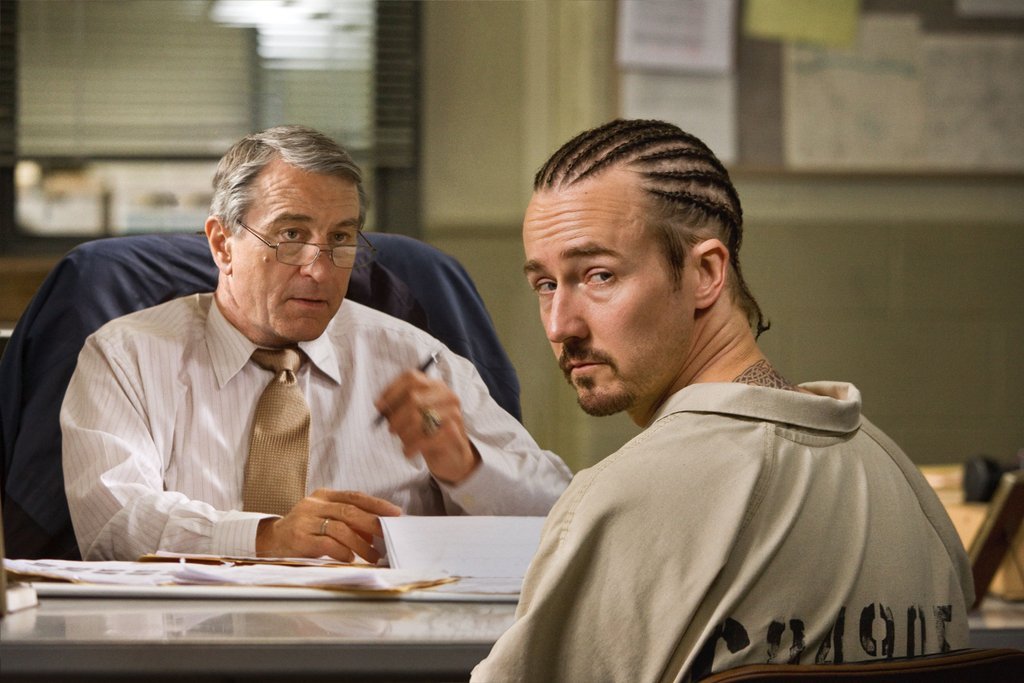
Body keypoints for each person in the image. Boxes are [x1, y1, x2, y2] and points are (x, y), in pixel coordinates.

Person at [471, 119, 973, 682]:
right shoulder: (910, 492)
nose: (560, 325)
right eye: (546, 285)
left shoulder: (619, 500)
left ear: (706, 272)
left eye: (599, 275)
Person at [61, 125, 571, 563]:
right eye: (290, 235)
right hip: (191, 637)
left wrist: (469, 467)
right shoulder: (126, 356)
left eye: (341, 239)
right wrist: (267, 537)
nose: (320, 269)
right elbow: (113, 524)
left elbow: (563, 516)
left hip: (381, 636)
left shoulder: (419, 360)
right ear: (222, 244)